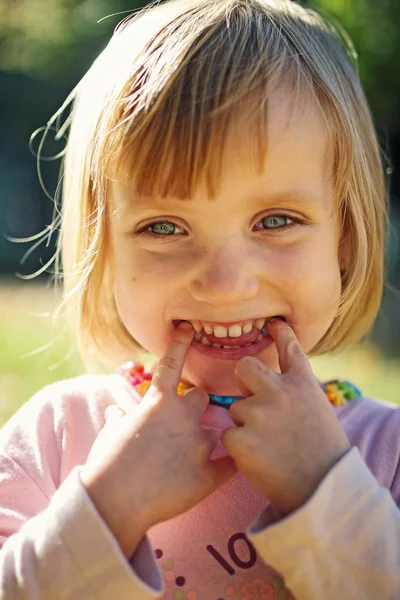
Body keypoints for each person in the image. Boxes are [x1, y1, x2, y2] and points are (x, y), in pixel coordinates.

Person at [1, 0, 400, 597]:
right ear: (103, 247)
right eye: (164, 227)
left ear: (344, 236)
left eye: (276, 220)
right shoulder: (57, 439)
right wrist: (106, 509)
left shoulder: (385, 455)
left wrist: (327, 489)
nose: (224, 284)